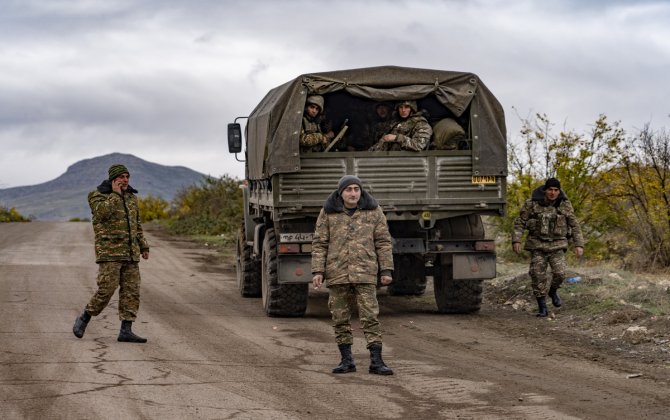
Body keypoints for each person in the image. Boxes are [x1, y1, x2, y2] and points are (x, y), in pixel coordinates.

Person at [311, 175, 394, 375]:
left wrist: (386, 270)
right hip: (337, 272)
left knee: (370, 317)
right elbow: (320, 243)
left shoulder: (374, 211)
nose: (353, 193)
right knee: (340, 318)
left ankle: (377, 361)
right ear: (341, 193)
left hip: (365, 273)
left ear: (361, 191)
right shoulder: (328, 213)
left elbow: (383, 241)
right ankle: (346, 360)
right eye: (349, 190)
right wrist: (318, 271)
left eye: (356, 189)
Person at [72, 164, 150, 343]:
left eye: (127, 177)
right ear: (113, 179)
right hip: (110, 253)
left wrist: (143, 246)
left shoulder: (131, 198)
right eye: (122, 177)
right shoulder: (97, 196)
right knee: (106, 290)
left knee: (131, 291)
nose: (125, 180)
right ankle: (84, 317)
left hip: (130, 254)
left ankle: (126, 330)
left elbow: (136, 225)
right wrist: (115, 195)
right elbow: (102, 214)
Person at [512, 178, 584, 317]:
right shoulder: (532, 203)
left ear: (559, 191)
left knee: (560, 273)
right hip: (537, 245)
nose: (552, 193)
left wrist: (579, 244)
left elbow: (574, 225)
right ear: (545, 190)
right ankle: (542, 307)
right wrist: (516, 240)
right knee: (537, 275)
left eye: (556, 190)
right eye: (550, 190)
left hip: (557, 245)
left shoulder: (564, 204)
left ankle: (553, 291)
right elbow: (520, 223)